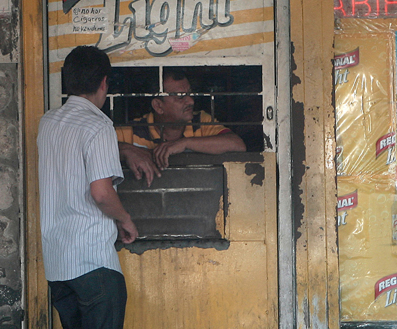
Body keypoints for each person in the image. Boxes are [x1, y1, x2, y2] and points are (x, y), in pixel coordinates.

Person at [37, 46, 138, 329]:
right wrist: (125, 219)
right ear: (104, 82)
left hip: (58, 265)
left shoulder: (47, 123)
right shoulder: (98, 125)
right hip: (93, 262)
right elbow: (101, 193)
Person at [117, 68, 247, 182]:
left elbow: (237, 144)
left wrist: (185, 143)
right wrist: (127, 150)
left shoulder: (200, 121)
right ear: (158, 106)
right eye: (180, 96)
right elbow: (97, 149)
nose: (190, 101)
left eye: (189, 93)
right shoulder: (132, 130)